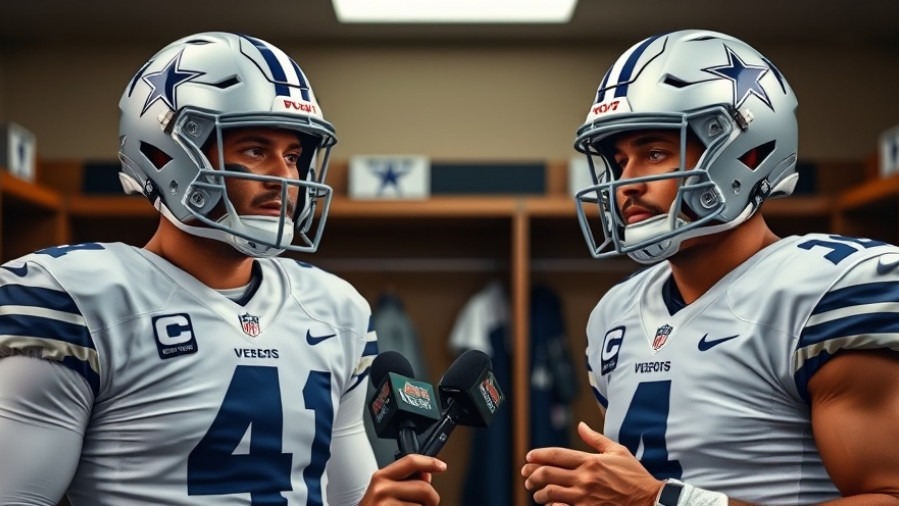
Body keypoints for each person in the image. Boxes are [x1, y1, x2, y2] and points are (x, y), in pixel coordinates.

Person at [0, 31, 445, 505]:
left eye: (293, 156)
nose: (284, 177)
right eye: (255, 150)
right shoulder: (73, 298)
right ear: (165, 152)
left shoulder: (336, 310)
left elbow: (347, 496)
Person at [521, 29, 899, 505]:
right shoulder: (614, 313)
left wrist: (662, 501)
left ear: (747, 151)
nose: (625, 184)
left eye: (654, 153)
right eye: (619, 161)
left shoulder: (831, 290)